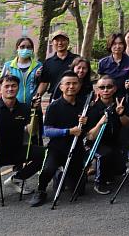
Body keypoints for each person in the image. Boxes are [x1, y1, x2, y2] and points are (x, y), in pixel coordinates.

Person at [0, 75, 44, 205]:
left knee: (47, 154)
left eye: (13, 86)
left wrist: (34, 112)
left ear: (18, 88)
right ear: (0, 88)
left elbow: (32, 131)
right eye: (6, 86)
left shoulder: (24, 108)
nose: (10, 89)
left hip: (15, 150)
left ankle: (17, 179)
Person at [28, 72, 89, 206]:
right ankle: (41, 190)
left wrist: (85, 123)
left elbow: (88, 131)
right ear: (61, 86)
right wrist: (68, 131)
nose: (71, 86)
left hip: (76, 148)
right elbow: (47, 130)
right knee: (48, 169)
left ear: (79, 86)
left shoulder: (84, 105)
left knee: (79, 190)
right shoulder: (54, 106)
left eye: (74, 83)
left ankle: (62, 176)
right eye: (67, 84)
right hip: (57, 148)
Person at [84, 75, 129, 194]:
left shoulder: (120, 103)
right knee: (104, 154)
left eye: (109, 87)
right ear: (98, 90)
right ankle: (98, 183)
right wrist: (100, 123)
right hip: (95, 144)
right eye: (102, 87)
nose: (105, 90)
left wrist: (121, 114)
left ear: (115, 88)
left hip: (114, 142)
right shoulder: (92, 108)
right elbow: (90, 136)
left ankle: (100, 169)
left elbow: (128, 124)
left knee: (119, 171)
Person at [0, 37, 43, 107]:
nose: (25, 49)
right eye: (22, 47)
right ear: (17, 48)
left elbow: (43, 84)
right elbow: (0, 86)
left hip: (33, 105)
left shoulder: (38, 65)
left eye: (28, 47)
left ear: (32, 49)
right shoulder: (8, 66)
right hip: (12, 106)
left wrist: (38, 77)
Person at [36, 31, 78, 99]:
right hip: (55, 98)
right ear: (52, 43)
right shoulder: (48, 63)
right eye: (57, 40)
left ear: (68, 42)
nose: (60, 43)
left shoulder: (77, 60)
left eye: (63, 40)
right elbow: (44, 83)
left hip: (75, 98)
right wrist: (37, 96)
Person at [97, 33, 129, 99]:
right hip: (108, 97)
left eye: (120, 43)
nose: (117, 46)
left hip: (126, 96)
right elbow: (100, 83)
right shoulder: (103, 62)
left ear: (124, 45)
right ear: (110, 45)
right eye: (114, 44)